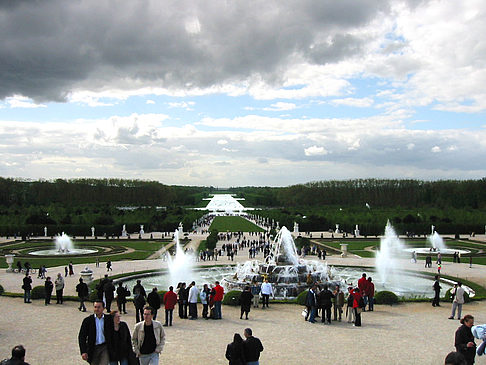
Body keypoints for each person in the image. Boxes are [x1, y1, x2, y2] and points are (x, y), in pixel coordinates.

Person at [78, 300, 114, 365]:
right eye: (95, 307)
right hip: (93, 348)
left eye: (99, 307)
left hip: (104, 347)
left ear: (103, 308)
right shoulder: (88, 320)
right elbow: (82, 336)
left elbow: (113, 334)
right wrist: (83, 351)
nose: (96, 309)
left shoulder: (109, 319)